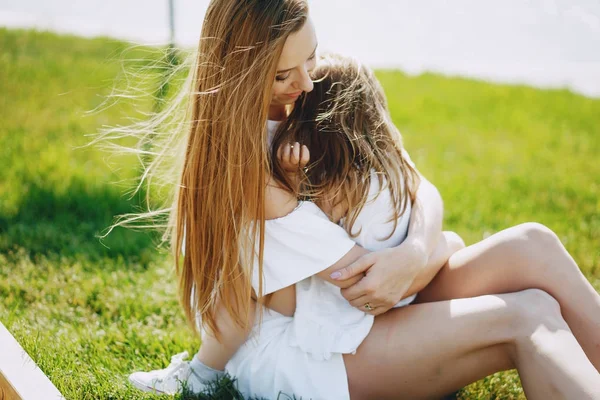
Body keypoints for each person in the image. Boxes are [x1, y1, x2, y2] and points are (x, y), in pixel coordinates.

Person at [125, 1, 600, 399]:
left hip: (357, 307)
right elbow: (363, 278)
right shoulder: (249, 171)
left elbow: (416, 184)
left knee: (532, 244)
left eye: (310, 57)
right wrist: (431, 252)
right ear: (239, 75)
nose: (307, 84)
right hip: (312, 347)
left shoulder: (310, 96)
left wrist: (417, 250)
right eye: (284, 75)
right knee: (528, 314)